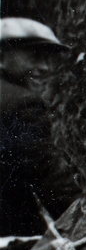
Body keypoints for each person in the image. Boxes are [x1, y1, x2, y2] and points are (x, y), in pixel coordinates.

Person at [0, 17, 78, 236]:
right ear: (2, 57)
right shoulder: (21, 102)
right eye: (34, 55)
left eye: (47, 58)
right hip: (11, 237)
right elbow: (48, 177)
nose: (44, 67)